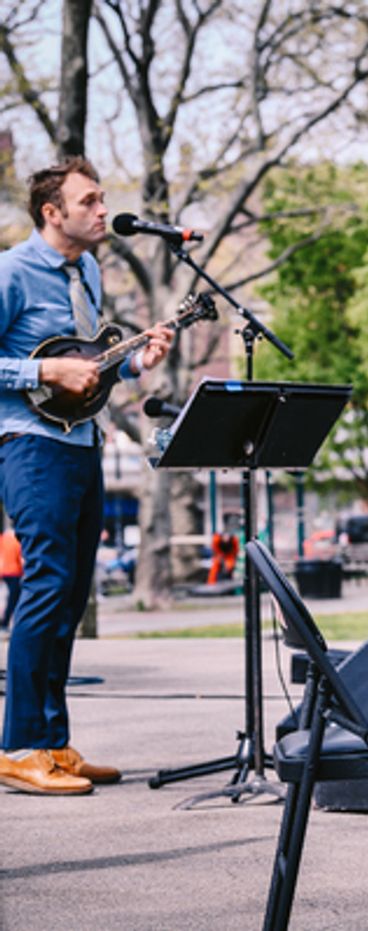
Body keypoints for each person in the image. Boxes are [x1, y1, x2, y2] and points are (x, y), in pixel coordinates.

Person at [0, 157, 174, 795]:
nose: (104, 210)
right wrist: (40, 374)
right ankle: (17, 745)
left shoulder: (90, 270)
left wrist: (134, 364)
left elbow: (85, 366)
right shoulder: (11, 272)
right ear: (54, 212)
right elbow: (51, 371)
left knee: (71, 597)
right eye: (91, 200)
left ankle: (52, 742)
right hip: (30, 445)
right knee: (45, 586)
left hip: (81, 442)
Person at [0, 526, 21, 629]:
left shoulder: (2, 540)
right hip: (15, 571)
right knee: (14, 598)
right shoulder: (16, 541)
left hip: (3, 571)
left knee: (10, 597)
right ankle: (6, 621)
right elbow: (21, 557)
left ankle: (5, 621)